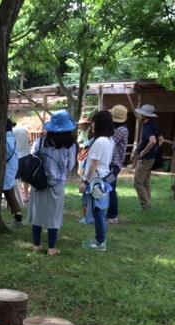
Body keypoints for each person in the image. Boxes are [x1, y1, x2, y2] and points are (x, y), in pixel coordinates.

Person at [28, 111, 77, 256]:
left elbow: (33, 159)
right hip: (57, 184)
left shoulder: (40, 142)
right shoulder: (70, 146)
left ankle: (36, 245)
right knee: (54, 215)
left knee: (37, 214)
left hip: (39, 183)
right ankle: (51, 248)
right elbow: (70, 166)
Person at [80, 111, 115, 251]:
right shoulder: (109, 140)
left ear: (99, 123)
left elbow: (94, 164)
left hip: (96, 180)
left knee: (97, 210)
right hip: (105, 178)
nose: (92, 124)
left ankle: (100, 242)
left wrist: (85, 183)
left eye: (94, 121)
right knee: (100, 209)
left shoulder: (99, 141)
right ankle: (100, 239)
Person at [132, 104, 160, 210]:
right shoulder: (153, 124)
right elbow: (160, 139)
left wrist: (143, 152)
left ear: (145, 115)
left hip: (146, 158)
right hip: (151, 157)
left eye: (141, 114)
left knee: (137, 182)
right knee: (145, 182)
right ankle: (148, 203)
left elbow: (153, 141)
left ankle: (145, 204)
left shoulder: (148, 127)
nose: (140, 115)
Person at [107, 105, 129, 224]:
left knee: (110, 188)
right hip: (112, 165)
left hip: (114, 166)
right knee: (108, 186)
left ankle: (113, 215)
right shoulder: (118, 129)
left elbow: (109, 141)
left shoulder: (121, 130)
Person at [4, 120, 23, 226]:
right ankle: (18, 216)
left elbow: (4, 154)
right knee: (9, 191)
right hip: (12, 166)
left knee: (9, 192)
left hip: (8, 168)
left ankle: (18, 217)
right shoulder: (11, 137)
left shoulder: (6, 139)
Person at [12, 119, 31, 202]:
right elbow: (29, 141)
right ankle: (26, 196)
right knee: (26, 178)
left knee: (16, 178)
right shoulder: (24, 130)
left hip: (17, 157)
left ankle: (18, 196)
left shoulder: (11, 132)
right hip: (26, 155)